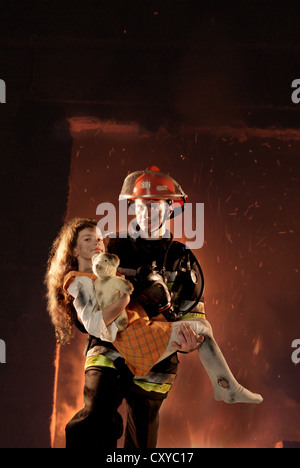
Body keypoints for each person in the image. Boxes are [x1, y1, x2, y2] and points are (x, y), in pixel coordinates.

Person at [45, 217, 203, 449]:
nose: (148, 210)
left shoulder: (181, 256)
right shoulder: (114, 247)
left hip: (155, 357)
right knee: (95, 421)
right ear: (132, 204)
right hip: (109, 352)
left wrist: (191, 341)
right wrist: (120, 302)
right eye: (141, 202)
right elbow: (89, 320)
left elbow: (194, 316)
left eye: (157, 202)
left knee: (142, 440)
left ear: (172, 206)